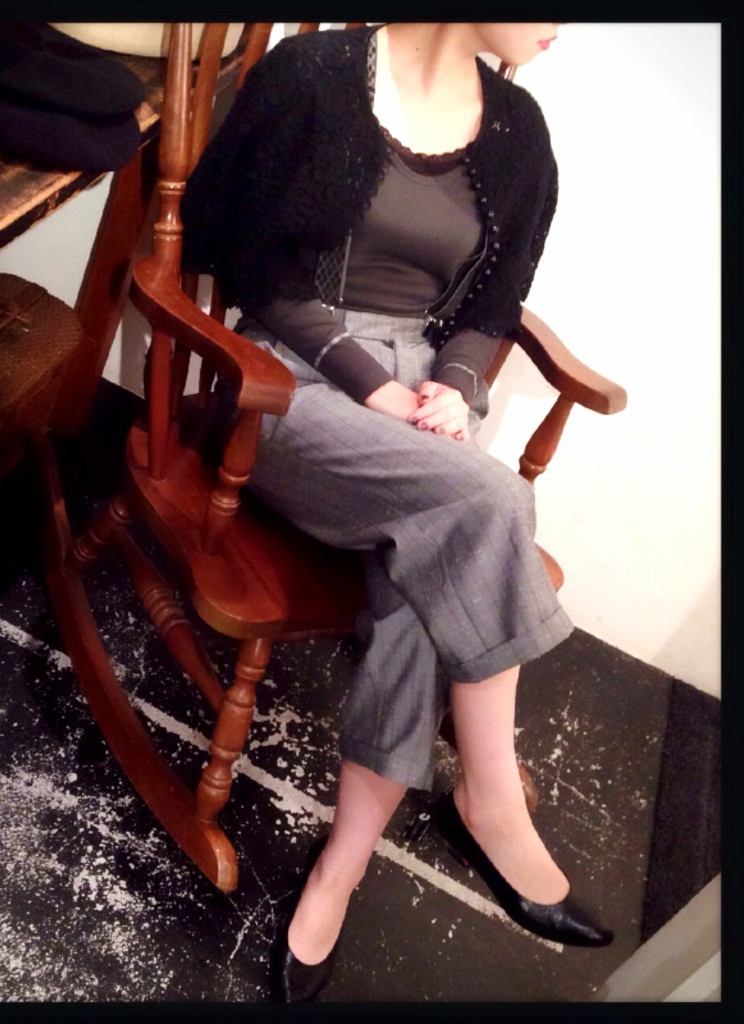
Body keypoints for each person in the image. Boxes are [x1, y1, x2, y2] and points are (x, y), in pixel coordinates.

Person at [181, 22, 614, 1002]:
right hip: (290, 379)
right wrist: (365, 380)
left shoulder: (518, 132)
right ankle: (491, 799)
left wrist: (456, 387)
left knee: (429, 579)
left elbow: (493, 306)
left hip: (421, 402)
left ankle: (340, 864)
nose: (562, 25)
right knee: (490, 501)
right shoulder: (312, 76)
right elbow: (244, 256)